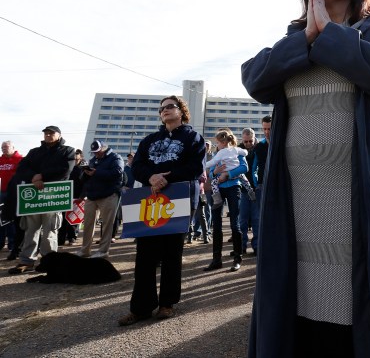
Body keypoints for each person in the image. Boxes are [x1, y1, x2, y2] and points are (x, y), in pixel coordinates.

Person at [241, 0, 370, 357]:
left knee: (358, 292)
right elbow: (255, 79)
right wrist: (309, 34)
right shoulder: (294, 38)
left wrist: (331, 31)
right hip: (298, 195)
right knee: (300, 294)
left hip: (359, 190)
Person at [118, 95, 205, 326]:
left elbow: (195, 167)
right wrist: (151, 177)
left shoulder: (193, 137)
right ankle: (141, 307)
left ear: (181, 111)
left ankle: (167, 303)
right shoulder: (149, 140)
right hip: (150, 200)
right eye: (162, 108)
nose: (165, 110)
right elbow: (137, 166)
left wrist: (166, 178)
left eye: (170, 107)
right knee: (145, 255)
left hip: (179, 199)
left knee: (171, 254)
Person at [7, 126, 76, 274]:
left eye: (51, 133)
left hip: (53, 197)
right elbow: (21, 169)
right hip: (34, 198)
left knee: (50, 230)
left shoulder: (68, 150)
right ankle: (26, 261)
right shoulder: (34, 152)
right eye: (46, 133)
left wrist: (41, 176)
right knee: (30, 230)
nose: (48, 135)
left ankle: (49, 262)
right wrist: (33, 177)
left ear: (59, 135)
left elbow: (65, 170)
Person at [202, 128, 247, 272]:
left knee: (235, 224)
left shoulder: (236, 151)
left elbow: (244, 167)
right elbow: (211, 173)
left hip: (234, 187)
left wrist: (227, 174)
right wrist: (215, 173)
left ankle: (237, 258)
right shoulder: (217, 154)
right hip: (218, 189)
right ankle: (216, 260)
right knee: (217, 225)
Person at [78, 140, 124, 259]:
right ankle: (85, 250)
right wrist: (85, 173)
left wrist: (96, 172)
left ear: (104, 148)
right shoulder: (93, 160)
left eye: (97, 151)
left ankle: (103, 251)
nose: (96, 154)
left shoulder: (115, 157)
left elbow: (118, 172)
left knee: (107, 224)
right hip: (92, 195)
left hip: (109, 195)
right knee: (88, 224)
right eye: (94, 152)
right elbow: (86, 178)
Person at [240, 117, 271, 255]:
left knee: (257, 220)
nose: (248, 144)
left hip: (257, 188)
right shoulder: (238, 150)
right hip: (245, 190)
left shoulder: (259, 147)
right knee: (242, 220)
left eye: (250, 141)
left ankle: (257, 246)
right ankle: (241, 246)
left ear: (254, 139)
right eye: (245, 141)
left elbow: (255, 168)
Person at [204, 133, 249, 206]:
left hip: (231, 184)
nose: (217, 145)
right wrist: (215, 172)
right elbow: (245, 152)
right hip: (236, 176)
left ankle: (217, 200)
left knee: (213, 183)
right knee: (244, 179)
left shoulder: (221, 152)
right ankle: (250, 191)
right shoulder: (235, 149)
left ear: (223, 142)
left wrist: (203, 165)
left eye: (217, 143)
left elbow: (212, 162)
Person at [58, 148, 87, 246]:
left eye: (77, 155)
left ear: (81, 157)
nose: (75, 157)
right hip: (65, 195)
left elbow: (86, 183)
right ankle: (60, 239)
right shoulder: (67, 166)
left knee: (73, 218)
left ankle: (72, 237)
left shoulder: (84, 168)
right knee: (62, 218)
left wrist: (83, 196)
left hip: (77, 196)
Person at [0, 141, 23, 254]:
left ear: (13, 147)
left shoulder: (20, 159)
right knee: (2, 219)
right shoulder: (0, 160)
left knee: (12, 219)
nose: (4, 149)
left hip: (15, 193)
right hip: (2, 192)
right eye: (2, 147)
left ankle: (13, 244)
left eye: (6, 147)